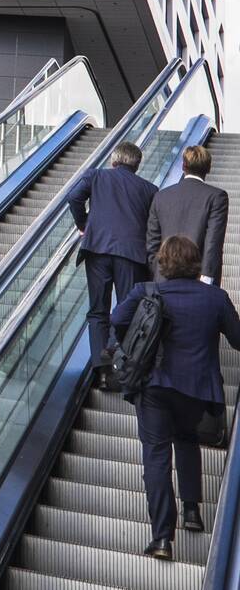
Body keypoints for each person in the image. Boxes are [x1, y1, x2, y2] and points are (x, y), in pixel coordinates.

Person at [111, 236, 240, 561]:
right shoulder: (215, 297)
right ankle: (193, 511)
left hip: (154, 385)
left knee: (156, 456)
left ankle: (162, 539)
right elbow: (238, 340)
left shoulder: (147, 292)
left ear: (164, 263)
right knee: (186, 441)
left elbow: (116, 320)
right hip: (196, 389)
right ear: (196, 264)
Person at [66, 141, 157, 389]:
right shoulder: (150, 189)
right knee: (128, 310)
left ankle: (102, 371)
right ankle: (121, 366)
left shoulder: (96, 176)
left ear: (114, 160)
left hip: (97, 250)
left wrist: (85, 225)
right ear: (136, 165)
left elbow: (73, 197)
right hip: (132, 256)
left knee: (98, 310)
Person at [146, 145, 229, 285]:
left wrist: (158, 272)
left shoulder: (161, 196)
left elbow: (152, 242)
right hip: (198, 280)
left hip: (164, 280)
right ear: (208, 167)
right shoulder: (216, 197)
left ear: (183, 166)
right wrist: (207, 277)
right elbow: (213, 241)